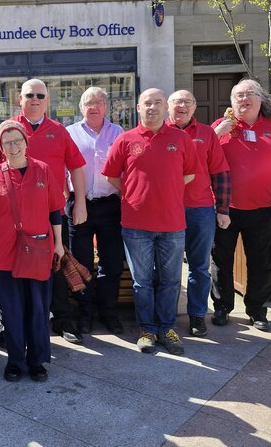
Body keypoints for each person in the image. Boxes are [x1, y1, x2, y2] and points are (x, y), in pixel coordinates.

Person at [102, 88, 198, 355]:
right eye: (147, 103)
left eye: (157, 103)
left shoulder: (180, 138)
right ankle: (147, 330)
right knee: (141, 281)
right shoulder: (125, 140)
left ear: (166, 107)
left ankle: (166, 328)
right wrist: (135, 192)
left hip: (172, 224)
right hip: (136, 225)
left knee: (169, 280)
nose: (152, 107)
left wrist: (166, 190)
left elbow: (190, 174)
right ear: (138, 107)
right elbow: (111, 175)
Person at [0, 78, 86, 344]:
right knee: (10, 269)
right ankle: (7, 324)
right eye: (29, 95)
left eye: (40, 96)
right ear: (19, 99)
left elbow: (77, 166)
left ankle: (62, 319)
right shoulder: (6, 129)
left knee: (55, 267)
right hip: (11, 217)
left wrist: (79, 202)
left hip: (50, 215)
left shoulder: (58, 130)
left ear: (47, 100)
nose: (35, 99)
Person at [0, 120, 65, 382]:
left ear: (27, 143)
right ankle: (15, 361)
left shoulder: (43, 170)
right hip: (4, 251)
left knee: (38, 308)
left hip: (39, 249)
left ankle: (37, 361)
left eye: (18, 140)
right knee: (12, 309)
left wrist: (59, 244)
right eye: (7, 142)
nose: (13, 146)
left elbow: (55, 211)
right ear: (1, 147)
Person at [211, 79, 271, 331]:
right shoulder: (220, 126)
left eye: (249, 94)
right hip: (224, 209)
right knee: (220, 261)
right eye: (238, 95)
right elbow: (198, 156)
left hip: (263, 208)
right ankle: (222, 307)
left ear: (260, 99)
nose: (243, 99)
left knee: (262, 261)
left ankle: (257, 309)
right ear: (231, 101)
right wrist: (217, 135)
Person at [167, 90, 230, 337]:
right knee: (167, 268)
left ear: (194, 108)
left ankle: (196, 315)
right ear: (169, 106)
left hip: (201, 209)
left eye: (188, 102)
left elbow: (220, 172)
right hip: (168, 209)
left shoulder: (206, 134)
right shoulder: (160, 132)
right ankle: (166, 317)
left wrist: (223, 208)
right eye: (177, 102)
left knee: (200, 267)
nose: (182, 105)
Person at [65, 87, 125, 335]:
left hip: (110, 205)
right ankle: (85, 313)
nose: (94, 106)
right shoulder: (70, 133)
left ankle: (108, 312)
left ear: (106, 106)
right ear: (81, 108)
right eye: (89, 102)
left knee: (111, 263)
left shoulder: (118, 133)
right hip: (79, 204)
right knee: (82, 263)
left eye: (99, 102)